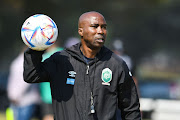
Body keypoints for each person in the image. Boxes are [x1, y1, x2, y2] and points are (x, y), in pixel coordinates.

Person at [23, 11, 141, 120]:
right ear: (81, 31)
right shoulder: (61, 60)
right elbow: (31, 75)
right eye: (94, 26)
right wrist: (36, 47)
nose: (100, 31)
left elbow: (130, 109)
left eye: (104, 27)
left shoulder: (116, 64)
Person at [7, 46, 40, 120]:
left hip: (25, 100)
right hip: (22, 100)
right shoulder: (23, 62)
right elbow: (24, 81)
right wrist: (15, 96)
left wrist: (14, 96)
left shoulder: (17, 61)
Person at [40, 42, 63, 120]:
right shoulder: (65, 54)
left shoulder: (45, 57)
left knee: (48, 116)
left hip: (48, 96)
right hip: (63, 95)